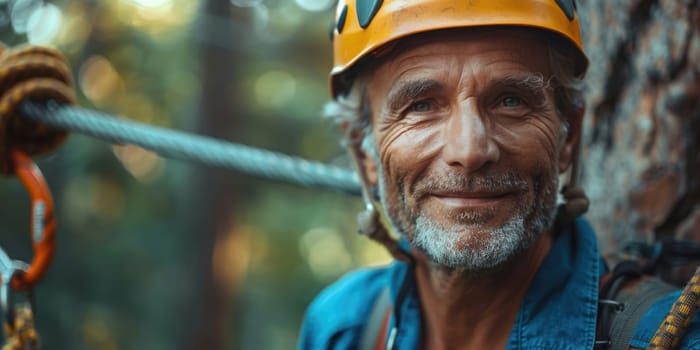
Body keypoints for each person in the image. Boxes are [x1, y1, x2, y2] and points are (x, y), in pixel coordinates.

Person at [299, 1, 700, 349]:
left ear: (568, 138)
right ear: (363, 149)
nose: (470, 150)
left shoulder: (673, 337)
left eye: (511, 100)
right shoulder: (341, 327)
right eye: (421, 106)